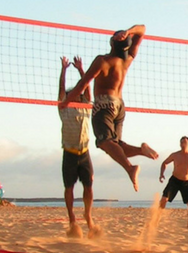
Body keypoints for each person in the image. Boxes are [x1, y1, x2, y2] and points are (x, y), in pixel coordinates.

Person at [60, 25, 158, 192]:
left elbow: (83, 84)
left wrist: (66, 101)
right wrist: (129, 32)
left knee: (105, 142)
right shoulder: (127, 60)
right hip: (119, 105)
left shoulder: (102, 61)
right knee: (116, 146)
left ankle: (130, 168)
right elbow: (142, 29)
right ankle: (141, 150)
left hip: (104, 104)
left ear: (112, 43)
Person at [57, 55, 100, 238]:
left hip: (84, 153)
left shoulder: (85, 107)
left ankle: (88, 216)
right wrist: (64, 70)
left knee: (89, 187)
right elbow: (61, 90)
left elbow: (88, 90)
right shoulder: (63, 107)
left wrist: (82, 70)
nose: (75, 95)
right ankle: (72, 219)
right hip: (69, 153)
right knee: (69, 188)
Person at [158, 136, 188, 228]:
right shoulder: (175, 155)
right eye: (181, 142)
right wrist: (161, 174)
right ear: (179, 144)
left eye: (185, 142)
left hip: (186, 182)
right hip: (175, 180)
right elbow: (164, 163)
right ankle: (156, 220)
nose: (183, 144)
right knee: (164, 199)